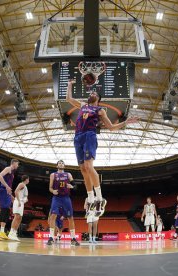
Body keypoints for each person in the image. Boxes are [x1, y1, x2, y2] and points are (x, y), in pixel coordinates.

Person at [66, 79, 138, 217]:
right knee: (82, 169)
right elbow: (69, 98)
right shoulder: (82, 105)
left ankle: (100, 197)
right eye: (91, 91)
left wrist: (126, 122)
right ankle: (91, 198)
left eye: (94, 92)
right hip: (77, 137)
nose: (91, 92)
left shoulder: (100, 111)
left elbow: (111, 127)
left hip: (89, 136)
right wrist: (70, 84)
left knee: (88, 166)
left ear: (98, 98)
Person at [47, 160, 79, 246]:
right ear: (57, 166)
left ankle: (73, 238)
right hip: (56, 198)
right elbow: (50, 188)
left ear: (64, 166)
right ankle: (51, 237)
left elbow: (75, 186)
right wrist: (53, 191)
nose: (61, 164)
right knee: (53, 216)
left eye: (62, 163)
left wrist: (72, 186)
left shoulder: (68, 174)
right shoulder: (53, 175)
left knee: (70, 217)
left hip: (66, 198)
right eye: (59, 163)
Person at [0, 159, 19, 240]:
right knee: (4, 210)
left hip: (7, 192)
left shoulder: (12, 172)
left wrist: (11, 195)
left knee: (7, 211)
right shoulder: (8, 168)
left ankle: (2, 232)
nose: (18, 165)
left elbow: (9, 185)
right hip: (3, 190)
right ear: (13, 163)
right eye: (17, 164)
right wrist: (6, 186)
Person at [7, 175, 30, 241]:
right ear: (26, 179)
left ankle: (14, 233)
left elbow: (23, 195)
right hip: (18, 201)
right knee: (16, 217)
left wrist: (25, 200)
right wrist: (19, 200)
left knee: (20, 218)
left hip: (21, 202)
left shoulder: (25, 186)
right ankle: (11, 233)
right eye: (28, 179)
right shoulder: (21, 184)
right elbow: (16, 191)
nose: (29, 180)